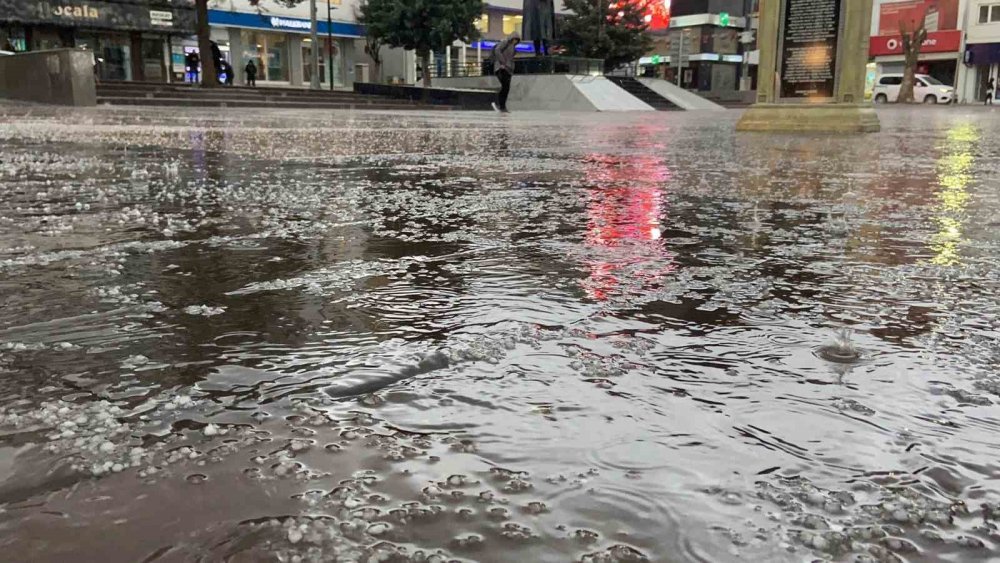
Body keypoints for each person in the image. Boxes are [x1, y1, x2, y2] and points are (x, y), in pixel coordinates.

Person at [492, 33, 520, 113]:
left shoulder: (513, 47)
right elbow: (497, 50)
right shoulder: (505, 43)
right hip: (502, 67)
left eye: (517, 40)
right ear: (512, 38)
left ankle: (502, 106)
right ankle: (500, 105)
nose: (515, 41)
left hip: (508, 69)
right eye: (514, 39)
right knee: (505, 86)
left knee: (506, 88)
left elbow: (511, 58)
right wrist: (502, 62)